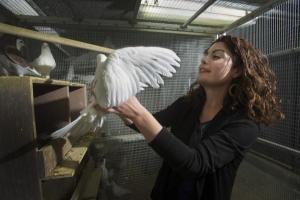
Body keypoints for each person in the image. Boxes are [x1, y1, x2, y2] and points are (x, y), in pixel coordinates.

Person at [104, 35, 284, 200]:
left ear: (237, 70)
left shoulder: (246, 123)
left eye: (216, 56)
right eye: (206, 54)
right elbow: (153, 123)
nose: (204, 59)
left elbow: (196, 164)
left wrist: (138, 112)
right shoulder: (189, 103)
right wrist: (120, 109)